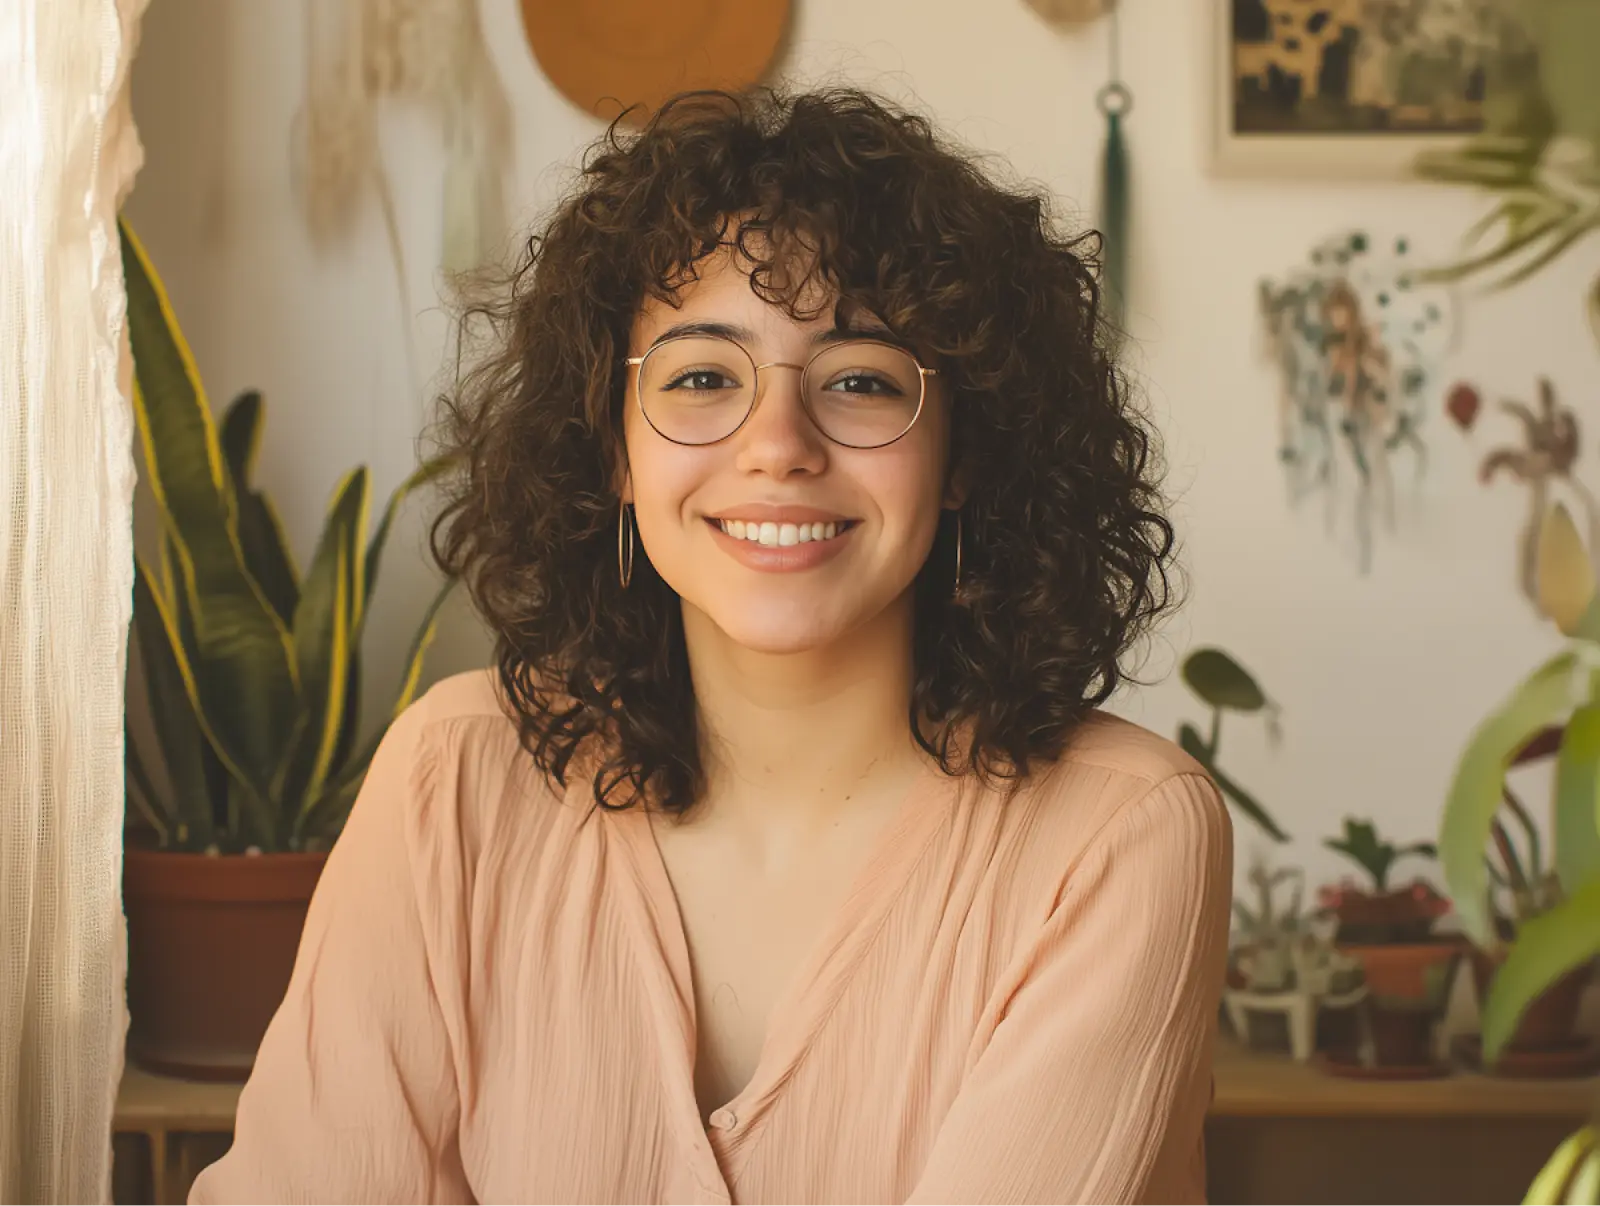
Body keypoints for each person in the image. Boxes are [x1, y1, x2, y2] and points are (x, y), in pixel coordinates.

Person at [189, 85, 1231, 1206]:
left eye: (861, 381)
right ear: (615, 453)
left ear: (963, 452)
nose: (776, 445)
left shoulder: (1120, 838)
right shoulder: (451, 779)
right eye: (699, 377)